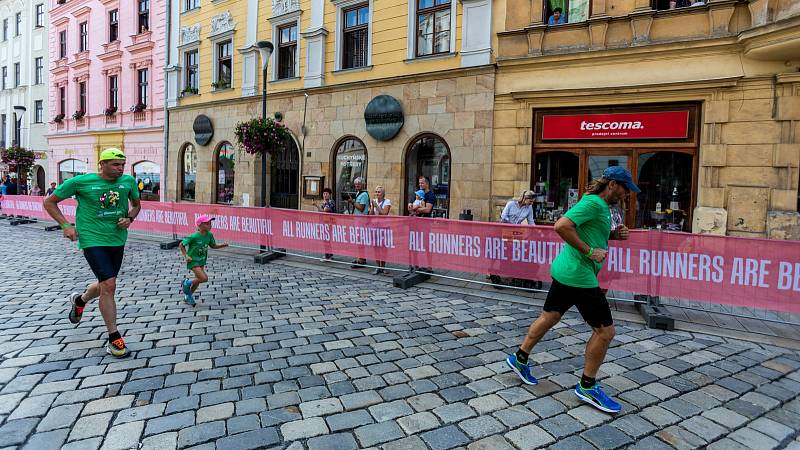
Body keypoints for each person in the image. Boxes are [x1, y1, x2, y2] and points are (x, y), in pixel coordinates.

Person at [505, 166, 639, 414]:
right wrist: (589, 252)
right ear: (612, 185)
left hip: (566, 270)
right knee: (605, 332)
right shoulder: (594, 204)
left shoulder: (602, 208)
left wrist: (612, 235)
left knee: (550, 316)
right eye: (624, 188)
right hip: (579, 275)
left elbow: (588, 231)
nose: (627, 194)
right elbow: (561, 226)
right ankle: (587, 386)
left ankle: (519, 358)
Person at [43, 148, 140, 358]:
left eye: (122, 164)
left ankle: (80, 300)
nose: (120, 168)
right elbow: (49, 202)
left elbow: (137, 205)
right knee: (109, 285)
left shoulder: (128, 182)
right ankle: (114, 337)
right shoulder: (81, 182)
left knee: (106, 282)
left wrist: (130, 218)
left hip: (117, 238)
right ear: (101, 164)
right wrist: (65, 225)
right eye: (115, 164)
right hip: (91, 237)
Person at [490, 190, 537, 288]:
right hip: (504, 229)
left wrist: (538, 230)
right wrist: (512, 225)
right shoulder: (511, 204)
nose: (532, 203)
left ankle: (510, 273)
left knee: (512, 251)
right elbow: (503, 216)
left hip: (516, 233)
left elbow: (531, 221)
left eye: (533, 202)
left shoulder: (529, 208)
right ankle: (491, 270)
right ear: (525, 198)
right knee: (500, 251)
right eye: (531, 201)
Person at [179, 215, 228, 305]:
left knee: (198, 280)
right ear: (200, 225)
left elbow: (213, 246)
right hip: (193, 260)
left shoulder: (209, 235)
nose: (209, 225)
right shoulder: (194, 236)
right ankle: (186, 282)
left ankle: (188, 296)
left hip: (201, 260)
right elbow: (181, 244)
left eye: (210, 223)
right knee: (204, 278)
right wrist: (186, 256)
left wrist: (222, 245)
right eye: (207, 224)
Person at [369, 185, 392, 274]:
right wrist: (372, 207)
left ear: (383, 194)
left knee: (383, 247)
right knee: (376, 247)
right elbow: (370, 215)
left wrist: (377, 206)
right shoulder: (374, 201)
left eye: (379, 192)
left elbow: (384, 213)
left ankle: (383, 266)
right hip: (375, 227)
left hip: (384, 227)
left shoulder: (387, 201)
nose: (377, 194)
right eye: (376, 192)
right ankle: (378, 266)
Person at [348, 177, 369, 268]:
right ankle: (359, 258)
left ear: (363, 184)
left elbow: (361, 207)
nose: (356, 186)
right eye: (355, 184)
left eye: (358, 184)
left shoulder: (364, 194)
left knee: (360, 240)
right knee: (358, 240)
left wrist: (352, 202)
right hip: (357, 220)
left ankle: (361, 259)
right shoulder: (358, 193)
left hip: (361, 220)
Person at [312, 187, 336, 260]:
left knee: (327, 239)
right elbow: (321, 211)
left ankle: (328, 255)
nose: (325, 195)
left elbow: (325, 210)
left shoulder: (331, 202)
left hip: (329, 223)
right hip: (323, 222)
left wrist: (316, 205)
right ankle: (329, 253)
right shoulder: (323, 202)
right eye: (324, 194)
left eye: (327, 194)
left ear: (330, 195)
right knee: (325, 239)